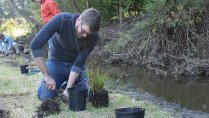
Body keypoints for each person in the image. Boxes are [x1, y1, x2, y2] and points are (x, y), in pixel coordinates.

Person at [30, 8, 101, 101]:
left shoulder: (94, 36)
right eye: (83, 31)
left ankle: (67, 85)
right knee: (46, 97)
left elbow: (79, 62)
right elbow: (35, 45)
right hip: (56, 61)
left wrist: (68, 89)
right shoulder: (62, 20)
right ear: (79, 19)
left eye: (89, 34)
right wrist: (46, 76)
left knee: (89, 94)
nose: (85, 36)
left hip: (76, 65)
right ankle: (59, 83)